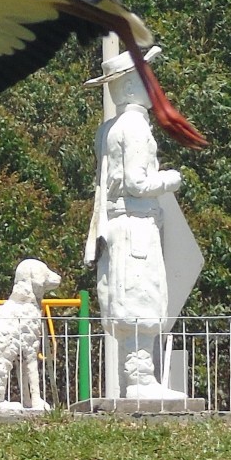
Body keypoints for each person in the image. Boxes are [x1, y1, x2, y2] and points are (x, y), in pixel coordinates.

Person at [85, 48, 184, 400]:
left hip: (118, 224)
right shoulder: (135, 127)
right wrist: (170, 179)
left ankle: (135, 377)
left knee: (130, 298)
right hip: (136, 222)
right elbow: (137, 182)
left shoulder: (108, 129)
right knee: (141, 298)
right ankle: (141, 379)